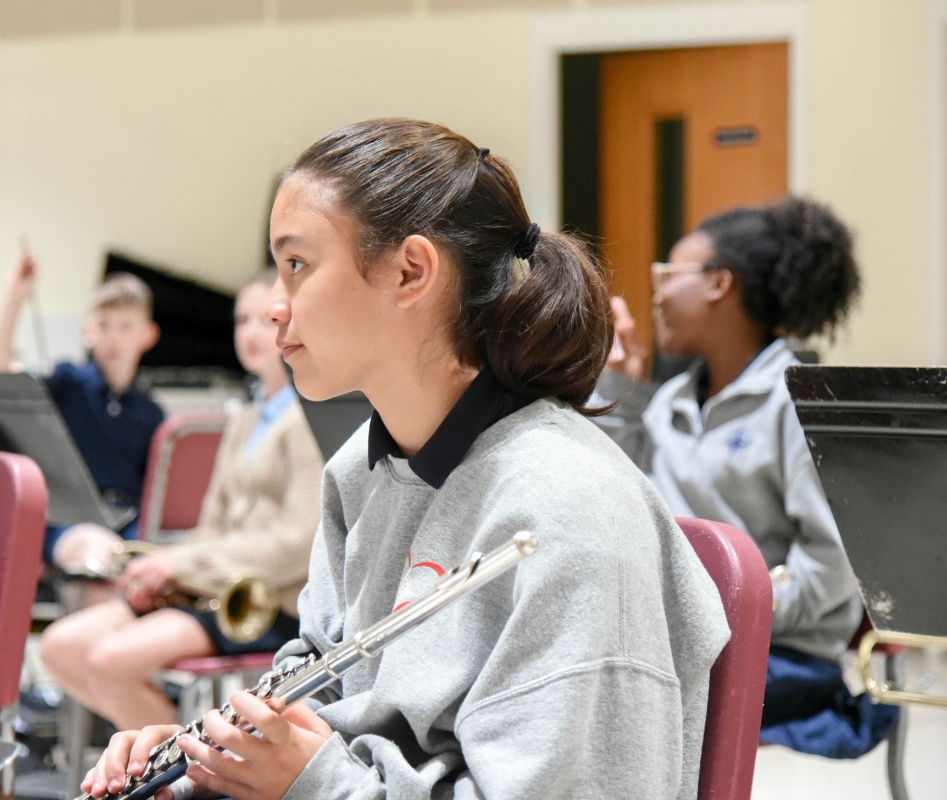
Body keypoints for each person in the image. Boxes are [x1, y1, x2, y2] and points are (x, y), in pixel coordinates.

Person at [81, 118, 730, 800]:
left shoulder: (570, 507)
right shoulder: (359, 470)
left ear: (410, 271)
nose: (274, 307)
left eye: (296, 265)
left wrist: (312, 781)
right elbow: (323, 705)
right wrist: (213, 771)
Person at [597, 196, 893, 757]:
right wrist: (621, 392)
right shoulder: (672, 401)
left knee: (622, 707)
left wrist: (728, 610)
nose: (655, 291)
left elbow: (831, 567)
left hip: (779, 654)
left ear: (717, 284)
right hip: (689, 642)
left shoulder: (798, 402)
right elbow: (622, 495)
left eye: (669, 274)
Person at [38, 268, 324, 730]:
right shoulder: (244, 420)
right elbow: (210, 528)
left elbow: (297, 543)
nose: (249, 332)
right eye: (240, 320)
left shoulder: (308, 418)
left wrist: (179, 566)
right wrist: (164, 566)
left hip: (262, 603)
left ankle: (189, 767)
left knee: (109, 660)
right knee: (61, 648)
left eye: (263, 319)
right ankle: (180, 755)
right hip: (210, 588)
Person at [0, 254, 166, 564]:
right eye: (104, 325)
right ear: (88, 331)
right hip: (69, 523)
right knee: (101, 557)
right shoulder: (67, 382)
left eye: (125, 327)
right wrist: (15, 297)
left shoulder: (152, 414)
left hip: (129, 526)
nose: (113, 337)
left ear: (148, 335)